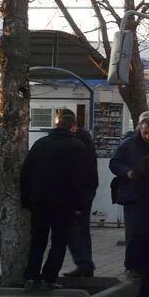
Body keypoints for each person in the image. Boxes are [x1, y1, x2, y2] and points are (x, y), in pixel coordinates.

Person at [20, 109, 88, 290]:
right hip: (63, 203)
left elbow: (26, 172)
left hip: (39, 201)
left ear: (57, 125)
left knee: (38, 240)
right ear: (73, 127)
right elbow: (79, 180)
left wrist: (26, 199)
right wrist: (80, 205)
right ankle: (49, 278)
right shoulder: (77, 147)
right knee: (59, 241)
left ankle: (31, 277)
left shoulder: (40, 144)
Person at [110, 111, 149, 297]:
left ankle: (143, 264)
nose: (148, 136)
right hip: (135, 196)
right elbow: (115, 164)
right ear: (139, 127)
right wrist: (128, 173)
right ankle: (134, 266)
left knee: (148, 237)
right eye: (145, 132)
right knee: (135, 234)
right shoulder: (129, 144)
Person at [65, 117, 99, 278]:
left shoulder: (77, 141)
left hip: (78, 192)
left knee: (74, 229)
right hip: (87, 190)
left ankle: (84, 263)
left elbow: (75, 172)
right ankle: (86, 264)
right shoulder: (86, 139)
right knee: (82, 229)